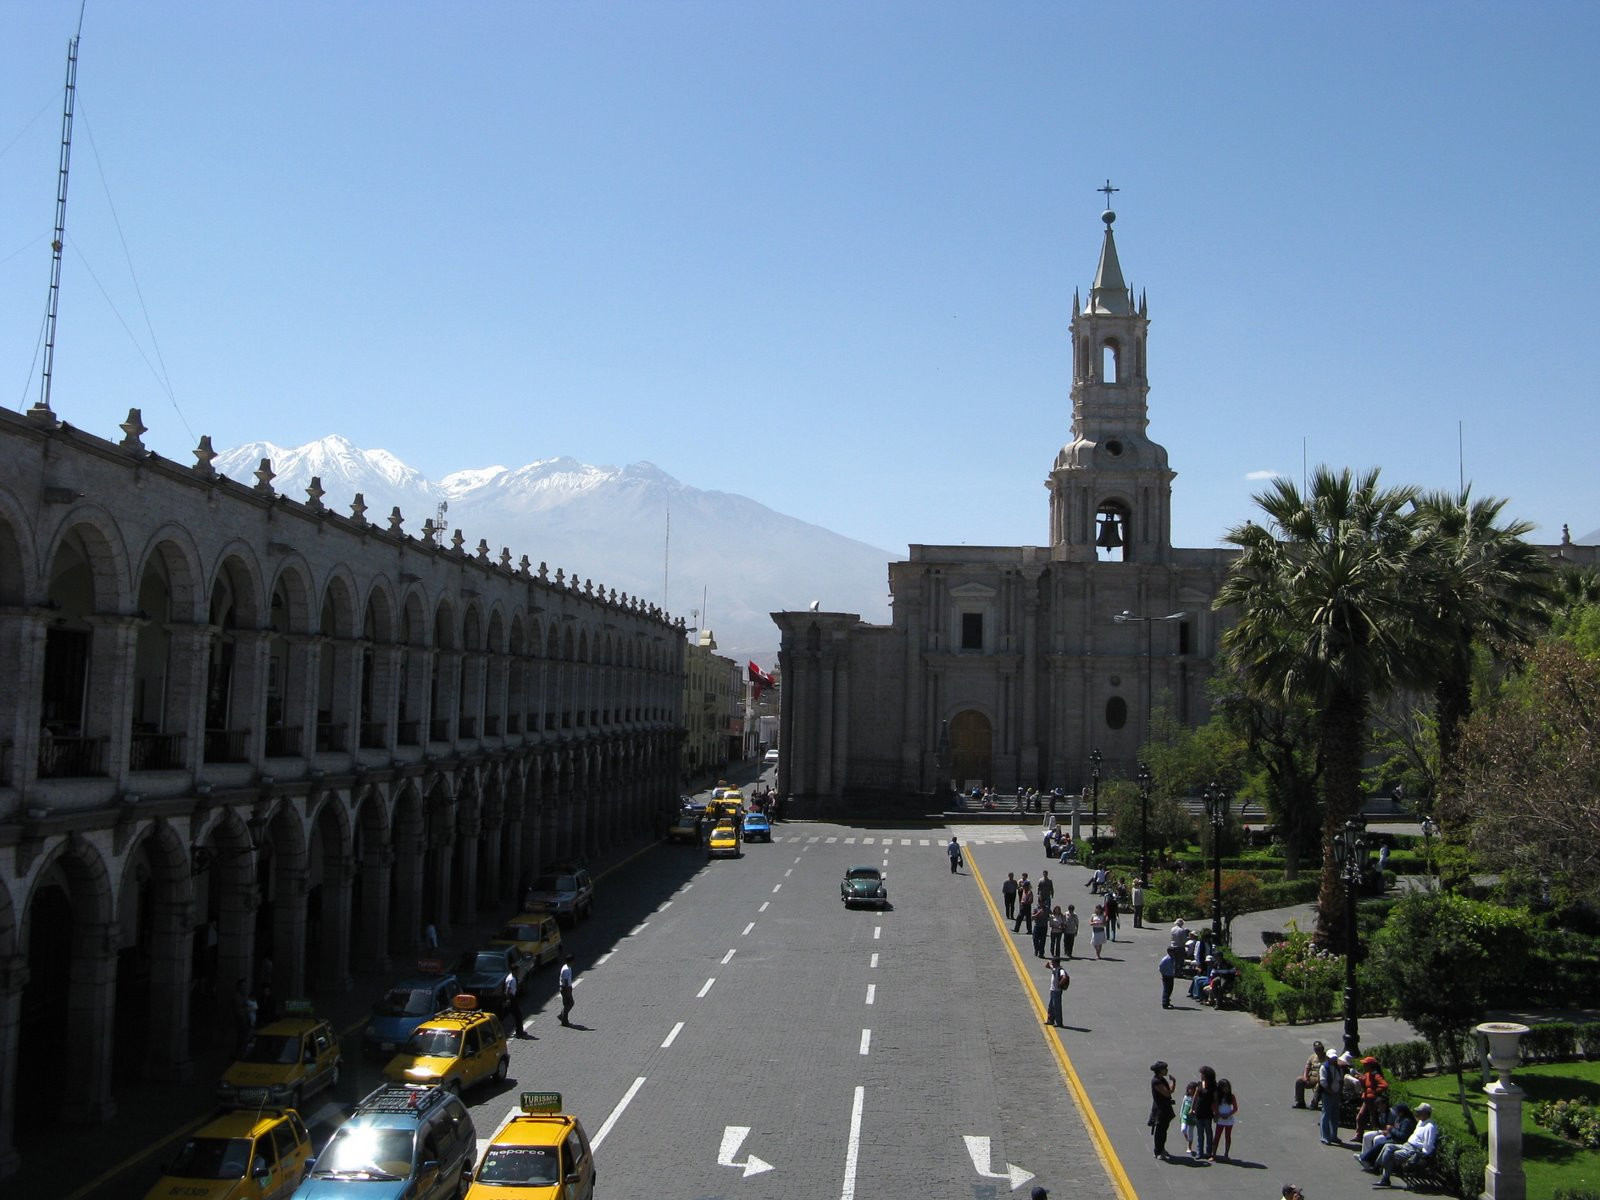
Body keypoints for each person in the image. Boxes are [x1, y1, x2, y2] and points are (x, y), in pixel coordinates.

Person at [1373, 1103, 1437, 1186]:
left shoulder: (1430, 1126)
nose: (1416, 1113)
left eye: (1419, 1112)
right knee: (1387, 1146)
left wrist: (1422, 1155)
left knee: (1391, 1155)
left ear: (1426, 1113)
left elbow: (1429, 1144)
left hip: (1413, 1150)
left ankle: (1384, 1178)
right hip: (1406, 1145)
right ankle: (1377, 1165)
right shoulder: (1421, 1122)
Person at [1357, 1102, 1415, 1171]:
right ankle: (1367, 1160)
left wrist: (1391, 1129)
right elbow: (1395, 1129)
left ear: (1402, 1112)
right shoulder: (1399, 1118)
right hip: (1393, 1137)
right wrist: (1389, 1132)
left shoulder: (1406, 1122)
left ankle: (1367, 1160)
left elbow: (1402, 1135)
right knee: (1379, 1142)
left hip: (1400, 1141)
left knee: (1381, 1145)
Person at [1149, 1062, 1177, 1159]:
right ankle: (1157, 1151)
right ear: (1160, 1070)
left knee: (1164, 1131)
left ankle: (1162, 1149)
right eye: (1165, 1069)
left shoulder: (1162, 1079)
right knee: (1160, 1131)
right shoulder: (1156, 1081)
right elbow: (1167, 1093)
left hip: (1166, 1109)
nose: (1167, 1070)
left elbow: (1170, 1091)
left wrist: (1173, 1082)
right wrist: (1172, 1084)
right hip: (1160, 1110)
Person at [1355, 1055, 1390, 1133]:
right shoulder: (1367, 1074)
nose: (1364, 1065)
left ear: (1370, 1065)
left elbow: (1384, 1085)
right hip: (1366, 1100)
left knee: (1374, 1119)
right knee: (1360, 1117)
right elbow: (1365, 1085)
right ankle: (1359, 1135)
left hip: (1373, 1101)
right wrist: (1361, 1079)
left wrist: (1375, 1091)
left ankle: (1375, 1135)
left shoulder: (1376, 1075)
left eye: (1365, 1064)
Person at [1191, 1065, 1217, 1160]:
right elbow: (1195, 1097)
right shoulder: (1199, 1084)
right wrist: (1192, 1108)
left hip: (1208, 1113)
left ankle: (1208, 1152)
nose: (1200, 1075)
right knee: (1200, 1133)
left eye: (1202, 1074)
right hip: (1199, 1111)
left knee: (1208, 1132)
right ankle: (1199, 1152)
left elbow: (1215, 1100)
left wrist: (1216, 1113)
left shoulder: (1213, 1086)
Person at [1317, 1049, 1343, 1144]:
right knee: (1326, 1115)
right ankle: (1325, 1137)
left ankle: (1333, 1136)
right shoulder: (1324, 1067)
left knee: (1335, 1115)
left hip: (1336, 1094)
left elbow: (1340, 1080)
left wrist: (1339, 1091)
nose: (1334, 1060)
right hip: (1327, 1094)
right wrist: (1330, 1092)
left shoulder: (1338, 1068)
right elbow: (1323, 1082)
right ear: (1328, 1058)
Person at [1294, 1040, 1327, 1108]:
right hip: (1313, 1077)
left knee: (1319, 1085)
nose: (1318, 1051)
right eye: (1316, 1049)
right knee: (1299, 1080)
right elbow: (1307, 1067)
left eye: (1319, 1049)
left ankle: (1314, 1103)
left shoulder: (1327, 1058)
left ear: (1322, 1049)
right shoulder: (1312, 1057)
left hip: (1322, 1078)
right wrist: (1305, 1077)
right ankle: (1300, 1102)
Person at [1214, 1078, 1239, 1160]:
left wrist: (1228, 1114)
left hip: (1229, 1119)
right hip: (1220, 1119)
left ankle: (1226, 1154)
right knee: (1217, 1136)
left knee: (1227, 1136)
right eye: (1225, 1087)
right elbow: (1214, 1107)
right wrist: (1219, 1114)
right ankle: (1213, 1154)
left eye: (1228, 1087)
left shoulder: (1231, 1096)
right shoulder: (1217, 1096)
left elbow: (1235, 1108)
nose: (1226, 1089)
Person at [1045, 958, 1069, 1026]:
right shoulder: (1054, 968)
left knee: (1056, 1007)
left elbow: (1064, 977)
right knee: (1051, 1006)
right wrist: (1049, 962)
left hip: (1057, 991)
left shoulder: (1060, 970)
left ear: (1056, 963)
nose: (1052, 964)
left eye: (1053, 962)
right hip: (1052, 990)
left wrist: (1060, 984)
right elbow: (1047, 966)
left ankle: (1059, 1023)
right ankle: (1050, 1020)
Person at [1178, 1080, 1198, 1156]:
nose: (1190, 1091)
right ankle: (1186, 1137)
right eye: (1189, 1089)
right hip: (1185, 1116)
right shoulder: (1186, 1097)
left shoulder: (1196, 1098)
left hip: (1192, 1118)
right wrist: (1180, 1115)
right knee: (1183, 1129)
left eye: (1192, 1089)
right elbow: (1182, 1106)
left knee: (1190, 1133)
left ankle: (1189, 1147)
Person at [504, 971, 525, 1037]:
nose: (518, 972)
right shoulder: (511, 979)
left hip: (511, 998)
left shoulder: (511, 977)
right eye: (517, 971)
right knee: (518, 1016)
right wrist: (508, 999)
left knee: (515, 1015)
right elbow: (508, 989)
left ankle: (519, 1031)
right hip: (511, 998)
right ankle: (519, 1032)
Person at [558, 955, 576, 1027]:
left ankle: (562, 1016)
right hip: (566, 988)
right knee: (570, 1003)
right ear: (570, 961)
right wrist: (567, 991)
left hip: (566, 988)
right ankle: (564, 1020)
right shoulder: (566, 969)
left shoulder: (567, 967)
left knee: (567, 1004)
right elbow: (565, 981)